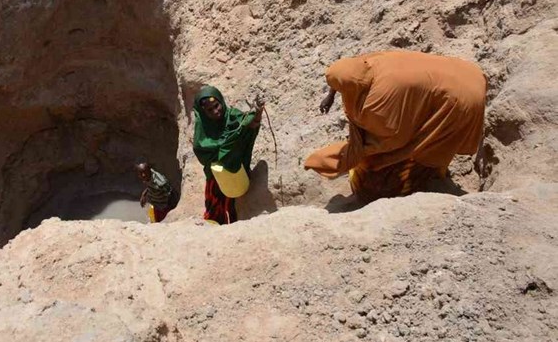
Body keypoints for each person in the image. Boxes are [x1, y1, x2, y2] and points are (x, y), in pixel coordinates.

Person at [305, 50, 486, 203]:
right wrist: (331, 96)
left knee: (422, 147)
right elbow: (342, 76)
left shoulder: (381, 100)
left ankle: (422, 184)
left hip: (460, 99)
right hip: (464, 74)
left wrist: (352, 154)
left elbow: (396, 140)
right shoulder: (369, 63)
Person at [193, 85, 264, 224]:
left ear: (221, 101)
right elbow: (200, 149)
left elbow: (249, 125)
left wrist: (258, 112)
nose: (215, 111)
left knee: (231, 209)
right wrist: (224, 146)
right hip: (215, 176)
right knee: (214, 209)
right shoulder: (202, 129)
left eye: (216, 105)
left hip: (235, 174)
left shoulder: (232, 116)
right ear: (203, 113)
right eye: (209, 110)